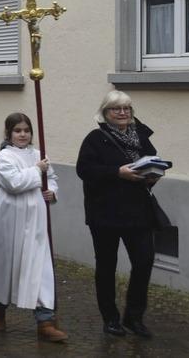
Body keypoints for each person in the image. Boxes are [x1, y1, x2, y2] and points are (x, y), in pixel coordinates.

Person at [0, 112, 68, 342]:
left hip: (36, 224)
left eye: (26, 130)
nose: (22, 134)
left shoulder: (40, 155)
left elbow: (53, 179)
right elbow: (15, 183)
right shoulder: (4, 158)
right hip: (8, 225)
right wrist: (38, 171)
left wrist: (52, 192)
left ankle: (45, 321)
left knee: (40, 269)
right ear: (9, 133)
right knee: (4, 268)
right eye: (17, 130)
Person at [76, 90, 158, 338]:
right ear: (105, 113)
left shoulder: (141, 135)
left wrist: (153, 176)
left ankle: (134, 317)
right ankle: (110, 318)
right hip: (106, 213)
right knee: (106, 266)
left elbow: (152, 160)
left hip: (138, 211)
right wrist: (117, 172)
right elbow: (85, 170)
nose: (123, 113)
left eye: (127, 108)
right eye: (116, 109)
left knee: (144, 261)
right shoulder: (95, 138)